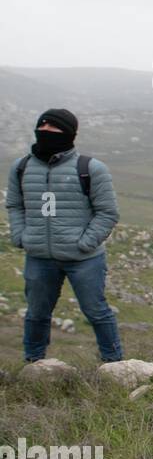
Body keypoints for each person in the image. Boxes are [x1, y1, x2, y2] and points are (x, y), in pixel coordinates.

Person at [6, 109, 124, 363]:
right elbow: (15, 205)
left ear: (69, 134)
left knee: (96, 311)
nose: (46, 132)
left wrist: (85, 243)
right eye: (42, 127)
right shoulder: (21, 167)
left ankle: (114, 365)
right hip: (39, 256)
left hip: (84, 259)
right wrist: (20, 236)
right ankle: (34, 364)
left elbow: (107, 212)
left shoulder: (90, 168)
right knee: (36, 314)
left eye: (54, 129)